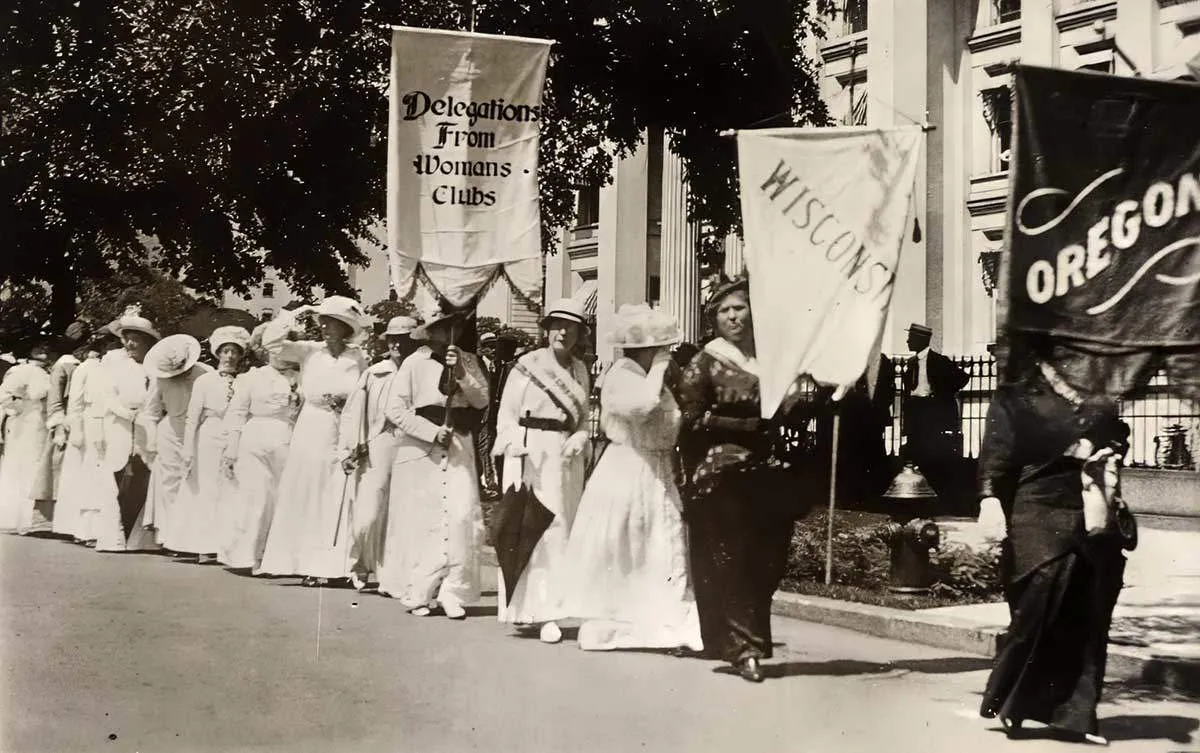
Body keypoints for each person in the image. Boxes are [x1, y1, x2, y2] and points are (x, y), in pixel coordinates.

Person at [976, 357, 1129, 745]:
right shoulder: (1018, 393)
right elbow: (997, 451)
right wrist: (989, 500)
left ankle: (1075, 716)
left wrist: (1104, 449)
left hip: (1086, 503)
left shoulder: (1097, 388)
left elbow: (1118, 433)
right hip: (1036, 503)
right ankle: (1013, 701)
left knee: (1090, 603)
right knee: (1042, 591)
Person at [676, 275, 813, 683]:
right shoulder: (705, 362)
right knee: (732, 559)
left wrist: (812, 402)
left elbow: (787, 413)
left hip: (766, 473)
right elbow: (690, 419)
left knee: (767, 561)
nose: (733, 316)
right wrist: (748, 425)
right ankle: (742, 648)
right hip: (721, 473)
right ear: (714, 319)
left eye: (740, 308)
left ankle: (750, 639)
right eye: (724, 311)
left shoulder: (770, 361)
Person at [561, 304, 703, 653]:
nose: (665, 356)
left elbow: (669, 419)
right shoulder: (622, 376)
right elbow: (640, 408)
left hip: (654, 466)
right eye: (660, 350)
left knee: (657, 543)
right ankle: (618, 622)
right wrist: (657, 370)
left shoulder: (652, 380)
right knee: (626, 542)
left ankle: (658, 619)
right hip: (627, 467)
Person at [491, 297, 592, 644]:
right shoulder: (526, 366)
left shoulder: (580, 370)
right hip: (530, 452)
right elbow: (505, 415)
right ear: (546, 329)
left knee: (561, 528)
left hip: (565, 457)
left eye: (572, 327)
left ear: (581, 333)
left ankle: (554, 607)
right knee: (533, 526)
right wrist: (513, 442)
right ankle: (534, 611)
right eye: (558, 325)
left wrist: (580, 437)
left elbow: (582, 421)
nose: (564, 332)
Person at [378, 305, 489, 617]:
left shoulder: (469, 360)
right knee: (426, 519)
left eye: (454, 326)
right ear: (431, 331)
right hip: (424, 448)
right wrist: (429, 432)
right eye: (443, 327)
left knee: (460, 514)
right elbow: (395, 409)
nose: (449, 333)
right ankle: (420, 591)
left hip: (459, 445)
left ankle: (453, 591)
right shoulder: (416, 362)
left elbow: (481, 400)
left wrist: (464, 374)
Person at [257, 296, 367, 585]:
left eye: (332, 323)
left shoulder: (356, 357)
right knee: (309, 488)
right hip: (313, 425)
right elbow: (272, 343)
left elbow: (364, 390)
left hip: (343, 425)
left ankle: (335, 565)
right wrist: (294, 313)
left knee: (337, 491)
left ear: (345, 328)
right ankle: (302, 561)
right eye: (323, 322)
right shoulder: (309, 352)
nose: (325, 327)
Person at [338, 315, 420, 590]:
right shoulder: (375, 373)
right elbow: (354, 412)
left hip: (411, 445)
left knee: (402, 510)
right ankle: (358, 563)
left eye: (404, 339)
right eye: (393, 339)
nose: (397, 344)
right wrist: (353, 445)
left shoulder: (421, 370)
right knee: (369, 509)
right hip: (378, 443)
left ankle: (390, 572)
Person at [217, 330, 302, 571]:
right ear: (264, 350)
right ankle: (247, 556)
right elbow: (237, 413)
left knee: (283, 499)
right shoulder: (252, 378)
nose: (280, 354)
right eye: (274, 348)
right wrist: (231, 449)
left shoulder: (300, 377)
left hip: (289, 440)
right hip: (255, 440)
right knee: (258, 497)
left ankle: (277, 559)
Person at [82, 307, 161, 552]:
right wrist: (126, 413)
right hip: (118, 424)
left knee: (142, 476)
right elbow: (107, 396)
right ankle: (110, 535)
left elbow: (157, 399)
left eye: (136, 339)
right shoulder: (113, 364)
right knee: (113, 475)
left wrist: (147, 417)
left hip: (146, 426)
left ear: (146, 341)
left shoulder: (154, 368)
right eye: (126, 339)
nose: (130, 344)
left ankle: (137, 537)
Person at [176, 326, 250, 563]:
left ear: (240, 356)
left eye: (234, 352)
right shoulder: (204, 381)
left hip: (233, 436)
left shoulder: (245, 382)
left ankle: (224, 545)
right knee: (207, 488)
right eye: (225, 351)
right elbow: (192, 416)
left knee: (229, 490)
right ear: (218, 354)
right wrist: (187, 448)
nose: (229, 357)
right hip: (208, 435)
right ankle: (204, 545)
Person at [140, 333, 213, 553]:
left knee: (197, 482)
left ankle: (195, 535)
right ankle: (171, 535)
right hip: (170, 434)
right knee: (171, 483)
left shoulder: (206, 373)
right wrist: (151, 442)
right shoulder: (160, 379)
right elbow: (150, 412)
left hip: (200, 433)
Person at [61, 324, 124, 544]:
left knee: (106, 476)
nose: (112, 348)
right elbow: (75, 402)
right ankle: (86, 529)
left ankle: (105, 527)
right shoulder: (86, 368)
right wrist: (76, 428)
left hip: (110, 422)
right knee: (91, 475)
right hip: (90, 423)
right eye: (109, 344)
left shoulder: (118, 367)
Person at [900, 323, 969, 483]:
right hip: (916, 411)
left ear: (920, 340)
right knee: (915, 451)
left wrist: (941, 395)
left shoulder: (939, 361)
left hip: (932, 412)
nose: (907, 341)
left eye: (910, 338)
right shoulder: (911, 363)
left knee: (931, 452)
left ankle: (934, 485)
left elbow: (962, 378)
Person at [0, 342, 57, 534]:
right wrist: (16, 408)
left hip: (38, 424)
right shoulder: (20, 371)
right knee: (18, 467)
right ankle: (11, 518)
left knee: (33, 467)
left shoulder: (46, 373)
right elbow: (4, 395)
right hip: (23, 425)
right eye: (38, 349)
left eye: (46, 350)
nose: (43, 352)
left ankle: (29, 518)